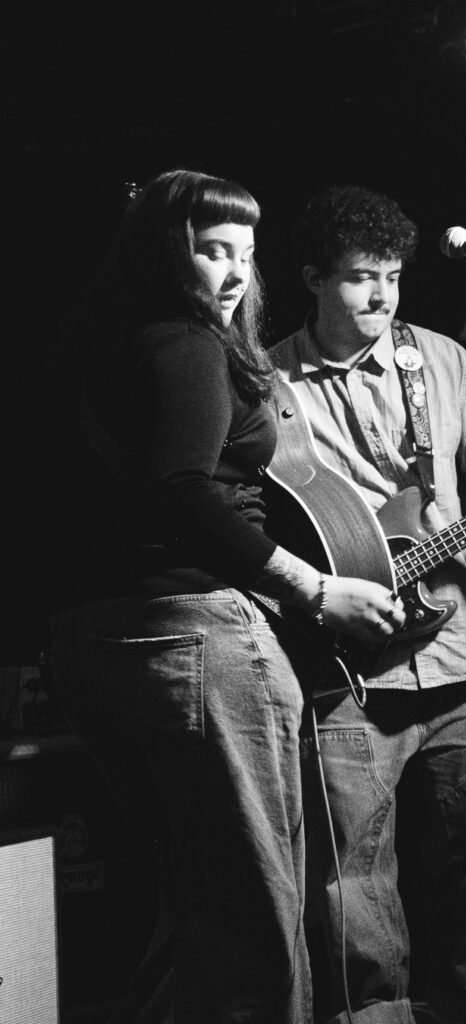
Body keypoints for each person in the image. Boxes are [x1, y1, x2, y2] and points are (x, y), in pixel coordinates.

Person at [46, 169, 405, 1024]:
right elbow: (179, 490)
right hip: (194, 633)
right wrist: (314, 589)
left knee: (191, 915)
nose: (236, 272)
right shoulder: (183, 341)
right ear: (164, 255)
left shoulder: (97, 341)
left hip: (94, 637)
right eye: (211, 250)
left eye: (245, 252)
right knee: (252, 921)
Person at [271, 184, 466, 1024]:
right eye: (357, 278)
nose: (379, 296)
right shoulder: (268, 383)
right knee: (352, 869)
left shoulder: (440, 361)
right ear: (311, 278)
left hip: (463, 654)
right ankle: (376, 1014)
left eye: (392, 277)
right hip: (346, 666)